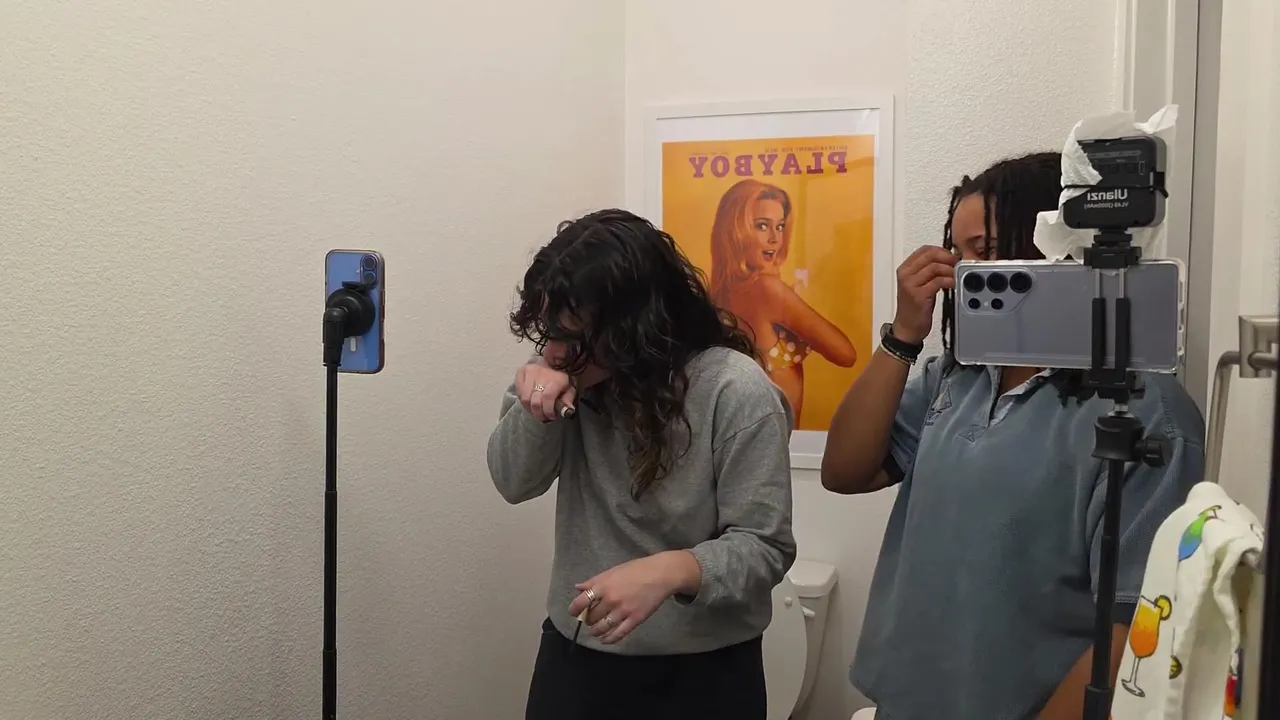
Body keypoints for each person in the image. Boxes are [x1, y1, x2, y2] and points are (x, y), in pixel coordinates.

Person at [820, 152, 1206, 720]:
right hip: (906, 699)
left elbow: (1132, 625)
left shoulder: (1143, 411)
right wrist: (903, 336)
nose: (965, 275)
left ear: (1059, 248)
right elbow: (844, 471)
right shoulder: (958, 376)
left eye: (987, 250)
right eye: (958, 254)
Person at [486, 208, 797, 720]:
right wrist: (534, 407)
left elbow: (766, 548)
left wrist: (670, 571)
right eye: (548, 333)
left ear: (633, 329)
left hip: (705, 674)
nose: (556, 352)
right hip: (577, 660)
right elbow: (512, 482)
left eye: (573, 337)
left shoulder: (735, 391)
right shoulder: (569, 372)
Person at [708, 179, 858, 424]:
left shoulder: (718, 293)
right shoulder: (768, 290)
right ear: (735, 232)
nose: (775, 238)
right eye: (762, 226)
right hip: (779, 438)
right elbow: (845, 354)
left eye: (779, 226)